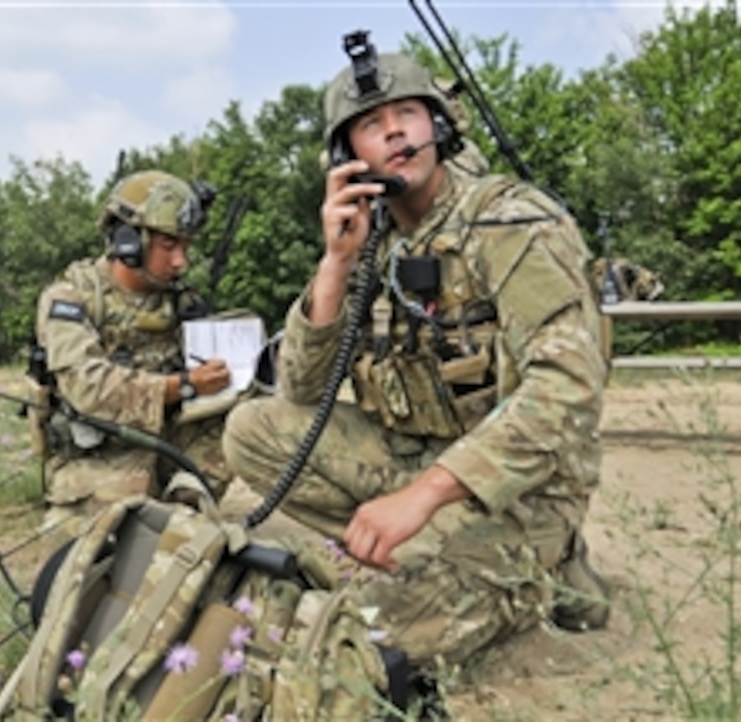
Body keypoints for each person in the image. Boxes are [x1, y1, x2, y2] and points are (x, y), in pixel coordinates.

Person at [222, 47, 611, 671]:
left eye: (408, 112)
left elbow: (568, 391)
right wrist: (335, 265)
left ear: (441, 126)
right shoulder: (371, 240)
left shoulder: (509, 220)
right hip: (417, 461)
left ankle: (538, 567)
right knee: (250, 430)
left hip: (519, 491)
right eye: (372, 124)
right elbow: (297, 392)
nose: (396, 130)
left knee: (368, 642)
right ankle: (425, 549)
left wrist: (424, 498)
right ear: (348, 157)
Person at [33, 169, 235, 535]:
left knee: (239, 425)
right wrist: (184, 385)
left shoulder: (180, 300)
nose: (181, 262)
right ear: (128, 241)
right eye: (169, 246)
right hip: (103, 455)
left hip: (169, 446)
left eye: (186, 247)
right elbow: (87, 386)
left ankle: (187, 510)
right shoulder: (70, 298)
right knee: (115, 550)